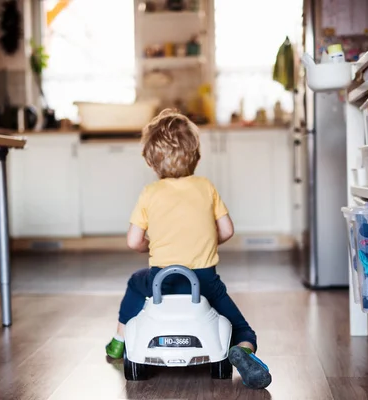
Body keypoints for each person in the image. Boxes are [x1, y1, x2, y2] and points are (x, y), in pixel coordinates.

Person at [105, 109, 271, 390]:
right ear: (196, 155)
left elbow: (134, 241)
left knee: (136, 282)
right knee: (242, 328)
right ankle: (241, 350)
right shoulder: (206, 187)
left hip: (161, 282)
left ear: (151, 161)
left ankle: (119, 341)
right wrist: (205, 240)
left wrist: (152, 243)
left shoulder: (150, 193)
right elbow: (227, 230)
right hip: (205, 281)